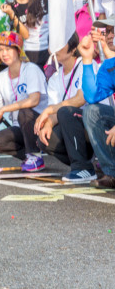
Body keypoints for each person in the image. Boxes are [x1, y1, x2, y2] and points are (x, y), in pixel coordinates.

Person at [33, 32, 96, 183]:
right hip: (76, 128)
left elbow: (82, 98)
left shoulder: (85, 63)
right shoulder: (55, 77)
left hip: (94, 124)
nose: (55, 48)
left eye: (60, 43)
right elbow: (54, 110)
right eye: (52, 43)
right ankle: (85, 164)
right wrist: (47, 124)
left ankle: (82, 168)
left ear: (73, 48)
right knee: (45, 139)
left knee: (65, 112)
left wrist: (50, 111)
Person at [0, 32, 50, 172]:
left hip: (39, 124)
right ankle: (29, 157)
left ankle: (35, 155)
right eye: (0, 50)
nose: (4, 53)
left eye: (8, 49)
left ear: (18, 50)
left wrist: (5, 109)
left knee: (24, 112)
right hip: (20, 127)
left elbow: (34, 100)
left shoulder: (31, 69)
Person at [76, 30, 115, 188]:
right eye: (109, 32)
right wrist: (87, 59)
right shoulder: (109, 65)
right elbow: (92, 96)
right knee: (91, 111)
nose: (110, 35)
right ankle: (112, 173)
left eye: (114, 31)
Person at [0, 0, 49, 66]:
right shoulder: (12, 5)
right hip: (30, 51)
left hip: (50, 48)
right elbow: (25, 35)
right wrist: (11, 14)